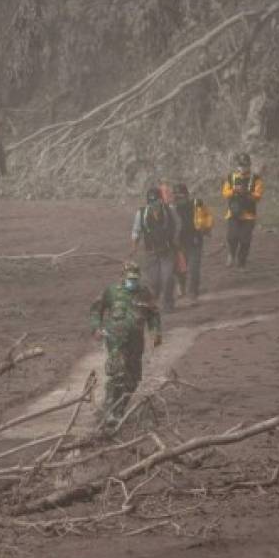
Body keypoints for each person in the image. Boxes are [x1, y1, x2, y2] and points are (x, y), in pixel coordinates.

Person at [89, 261, 162, 430]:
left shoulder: (145, 293)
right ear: (122, 276)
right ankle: (110, 411)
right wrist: (96, 328)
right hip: (116, 341)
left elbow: (153, 315)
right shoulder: (112, 292)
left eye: (135, 279)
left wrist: (156, 332)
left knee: (134, 378)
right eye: (130, 278)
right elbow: (95, 309)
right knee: (118, 374)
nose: (132, 282)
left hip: (136, 342)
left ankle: (120, 408)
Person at [130, 187, 180, 312]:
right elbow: (136, 231)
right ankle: (155, 298)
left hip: (168, 251)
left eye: (156, 201)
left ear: (161, 200)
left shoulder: (170, 211)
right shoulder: (141, 214)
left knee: (167, 278)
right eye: (151, 201)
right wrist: (134, 248)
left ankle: (168, 303)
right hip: (151, 253)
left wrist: (175, 239)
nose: (154, 204)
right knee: (154, 282)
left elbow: (178, 225)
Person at [171, 183, 212, 301]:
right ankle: (182, 285)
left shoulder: (197, 204)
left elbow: (208, 216)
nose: (179, 199)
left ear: (187, 195)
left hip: (195, 241)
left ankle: (193, 292)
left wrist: (206, 227)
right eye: (177, 197)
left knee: (194, 268)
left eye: (181, 196)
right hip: (178, 244)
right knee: (180, 269)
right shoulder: (170, 209)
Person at [221, 152, 264, 268]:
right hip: (233, 213)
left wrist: (247, 193)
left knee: (245, 240)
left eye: (245, 165)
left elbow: (258, 195)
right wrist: (234, 191)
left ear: (249, 165)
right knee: (231, 237)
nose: (242, 168)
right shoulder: (231, 178)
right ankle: (231, 254)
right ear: (237, 166)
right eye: (240, 165)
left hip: (249, 215)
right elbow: (225, 193)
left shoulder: (255, 179)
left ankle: (241, 260)